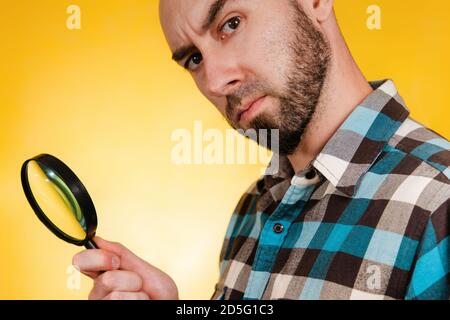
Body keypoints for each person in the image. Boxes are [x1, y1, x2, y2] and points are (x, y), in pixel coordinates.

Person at [73, 0, 450, 300]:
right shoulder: (252, 210)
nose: (217, 81)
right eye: (194, 59)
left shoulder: (439, 202)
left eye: (231, 23)